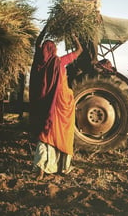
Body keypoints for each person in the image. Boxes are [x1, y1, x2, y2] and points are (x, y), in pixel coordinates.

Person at [29, 27, 83, 179]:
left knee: (45, 133)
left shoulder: (39, 62)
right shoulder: (59, 61)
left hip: (46, 105)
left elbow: (38, 43)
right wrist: (73, 35)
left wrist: (46, 27)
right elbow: (79, 50)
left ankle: (41, 167)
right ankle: (62, 167)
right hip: (63, 103)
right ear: (53, 50)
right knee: (62, 132)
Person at [69, 0, 102, 73]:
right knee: (79, 38)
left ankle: (94, 61)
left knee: (91, 37)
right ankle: (82, 61)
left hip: (89, 13)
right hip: (78, 16)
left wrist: (97, 12)